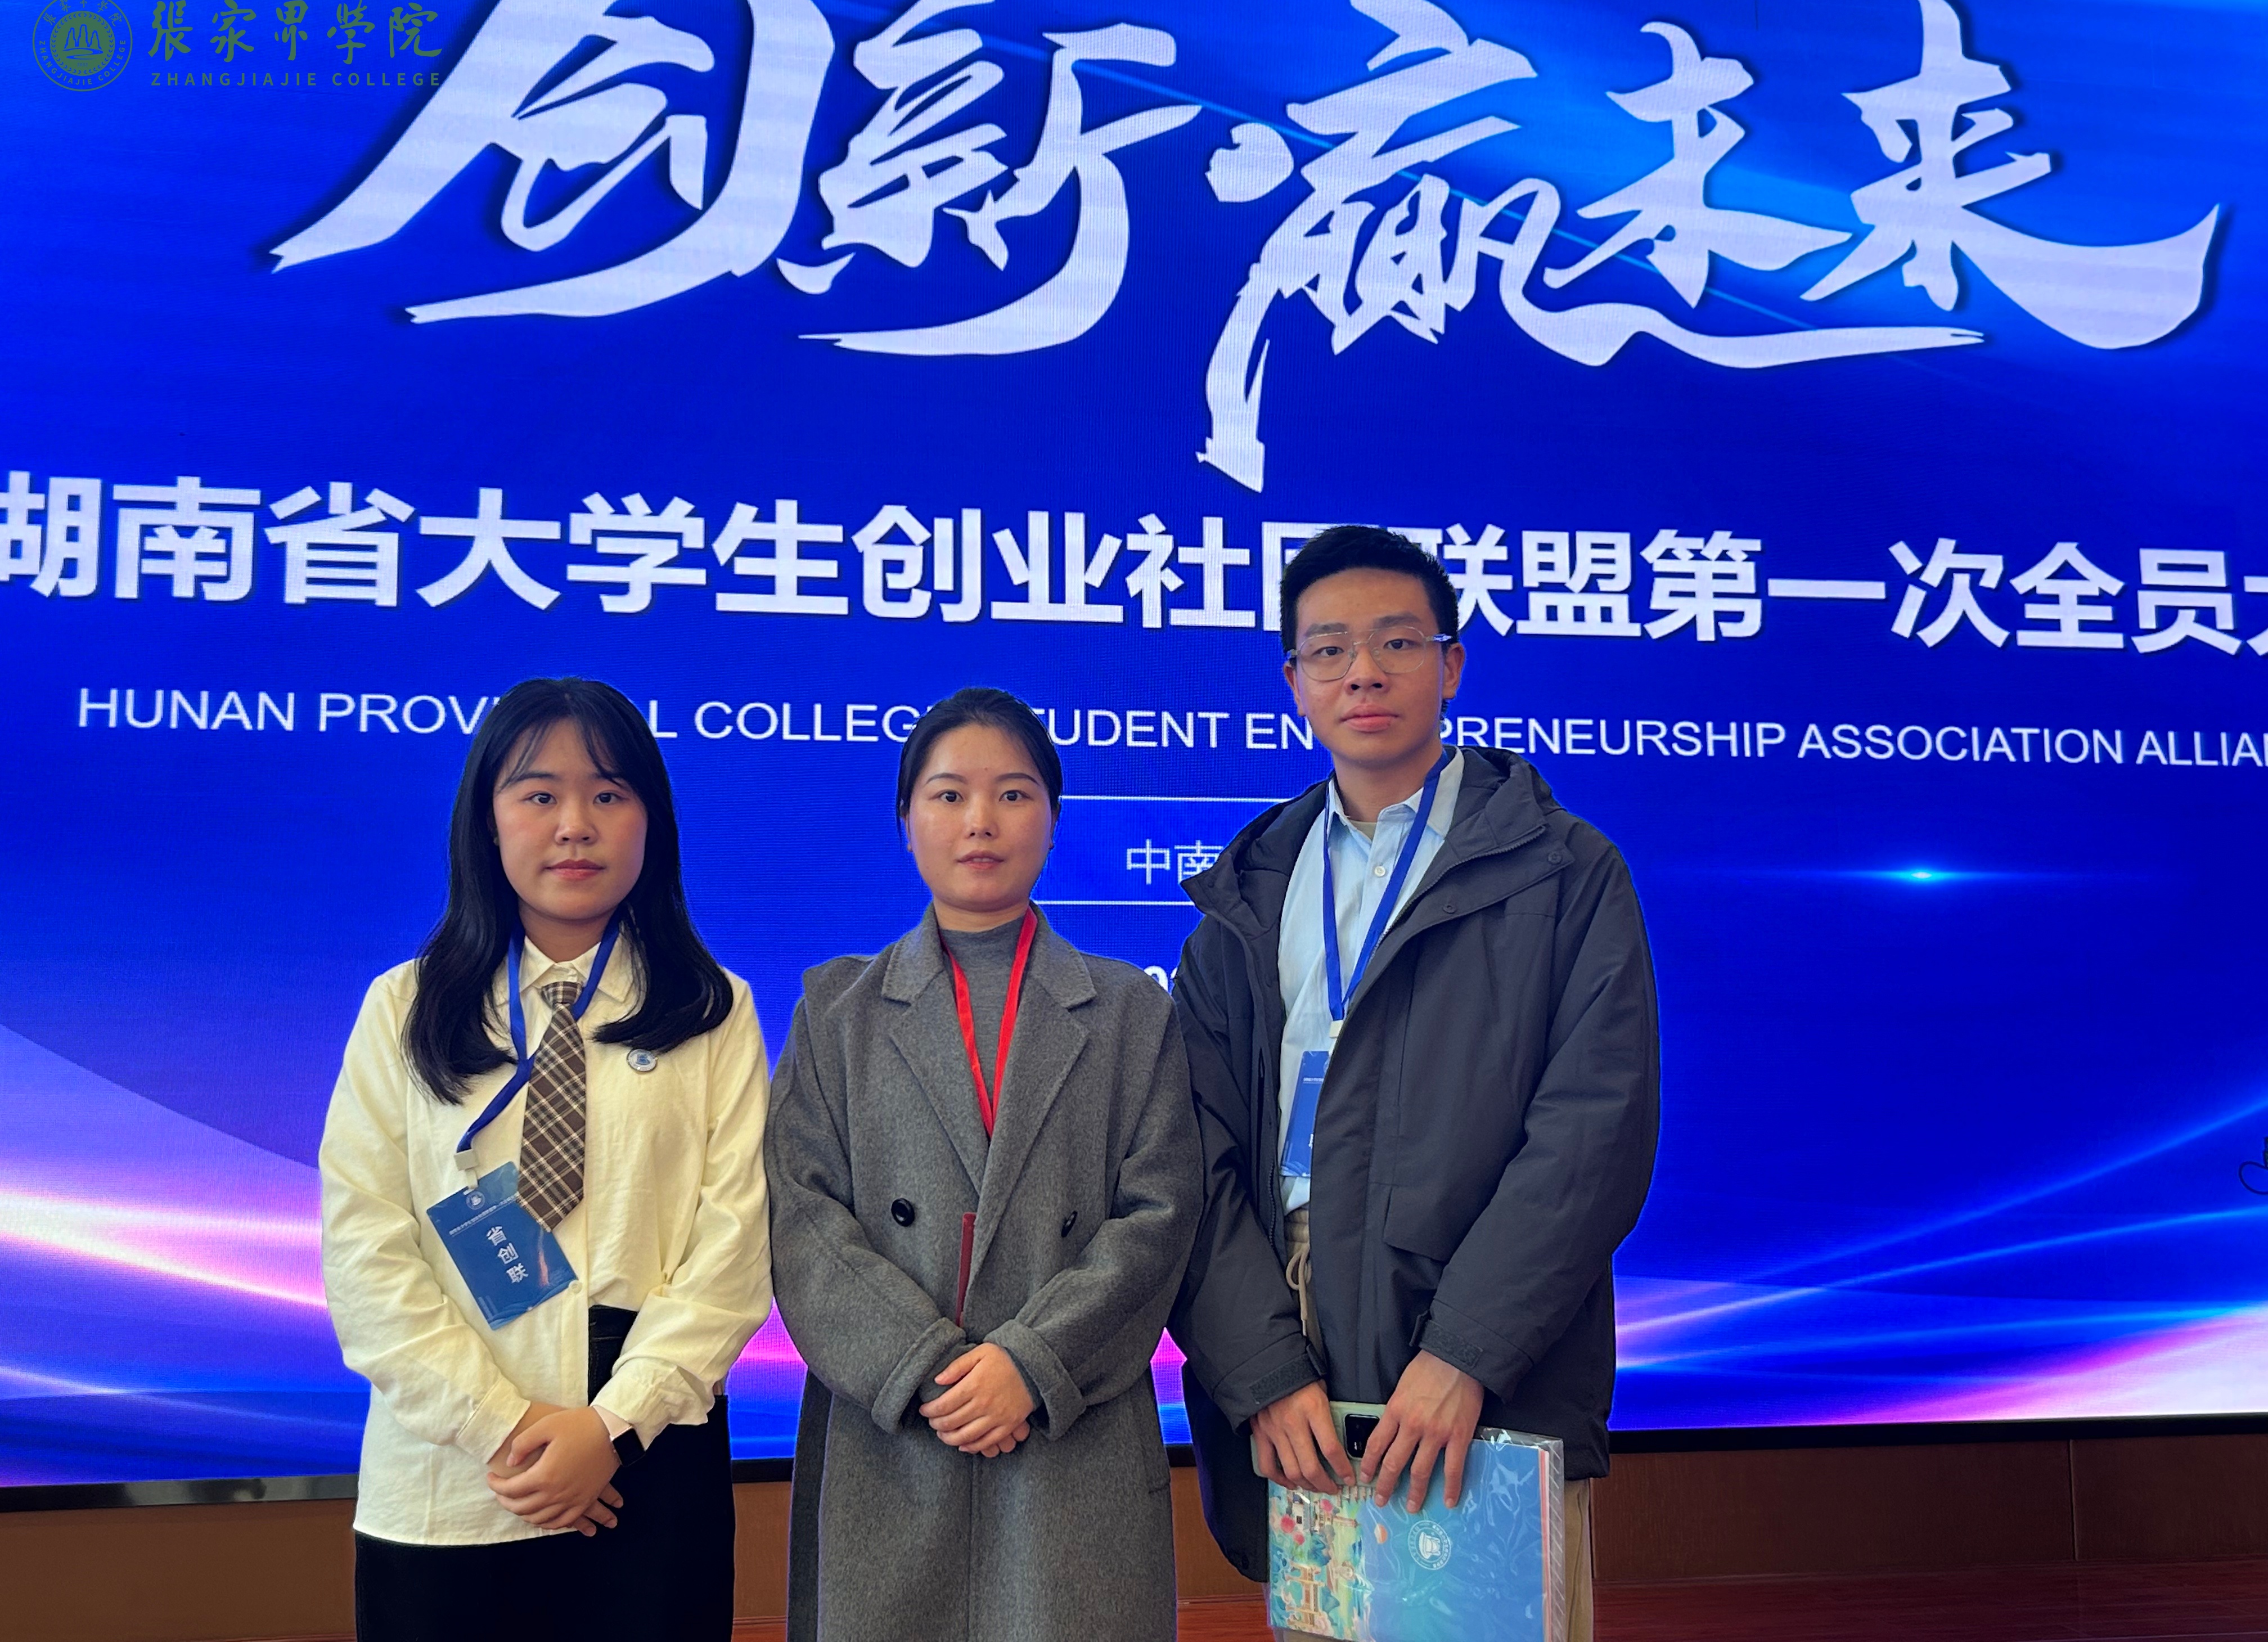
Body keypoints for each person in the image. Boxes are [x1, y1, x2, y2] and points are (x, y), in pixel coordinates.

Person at [1169, 527, 1660, 1642]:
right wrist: (1260, 1368)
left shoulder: (1564, 872)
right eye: (1329, 650)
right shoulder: (1250, 889)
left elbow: (1593, 1134)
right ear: (1294, 681)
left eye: (1397, 642)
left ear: (1453, 664)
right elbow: (1192, 1154)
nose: (1364, 673)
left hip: (1482, 1335)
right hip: (1292, 1325)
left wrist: (1467, 1354)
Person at [320, 677, 772, 1641]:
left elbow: (734, 1249)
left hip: (650, 1449)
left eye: (609, 794)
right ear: (488, 822)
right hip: (453, 1465)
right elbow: (366, 1253)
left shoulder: (714, 1009)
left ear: (651, 821)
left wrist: (608, 1429)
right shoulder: (403, 1009)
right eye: (539, 794)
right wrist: (512, 1429)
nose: (576, 825)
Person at [765, 686, 1201, 1642]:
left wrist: (1031, 1363)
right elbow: (802, 1221)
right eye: (949, 794)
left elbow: (1161, 1215)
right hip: (892, 1432)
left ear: (1053, 819)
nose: (980, 821)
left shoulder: (1131, 1011)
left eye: (1012, 794)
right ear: (905, 821)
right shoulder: (837, 1013)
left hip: (1069, 1429)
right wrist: (926, 1369)